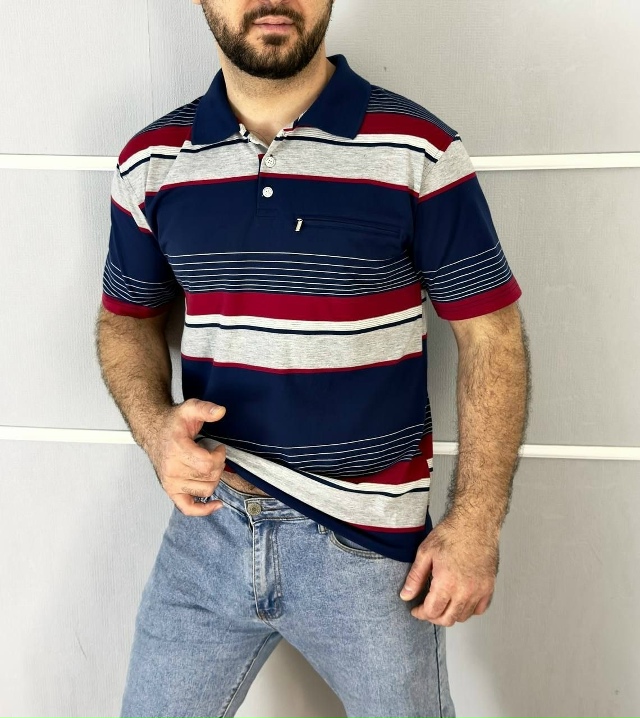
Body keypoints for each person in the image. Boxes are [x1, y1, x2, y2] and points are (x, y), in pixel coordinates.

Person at [96, 1, 530, 716]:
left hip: (369, 548)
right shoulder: (152, 160)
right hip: (208, 530)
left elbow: (492, 336)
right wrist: (154, 431)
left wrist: (476, 522)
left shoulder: (417, 149)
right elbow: (126, 322)